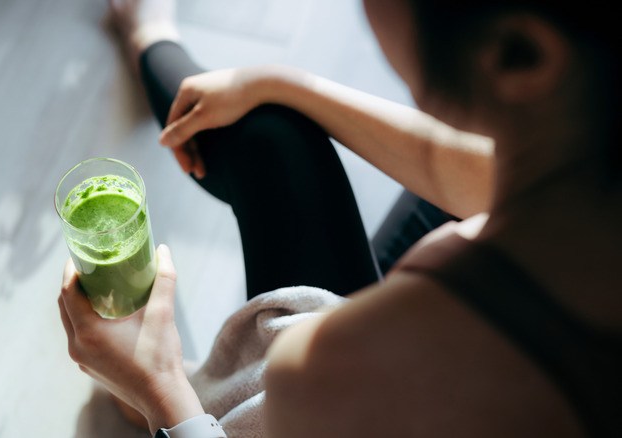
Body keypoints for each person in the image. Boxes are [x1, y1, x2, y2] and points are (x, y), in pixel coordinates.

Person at [57, 0, 622, 436]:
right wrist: (284, 84)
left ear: (518, 53)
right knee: (274, 126)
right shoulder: (583, 163)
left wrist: (160, 390)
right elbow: (467, 168)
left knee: (273, 145)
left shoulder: (332, 370)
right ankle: (148, 33)